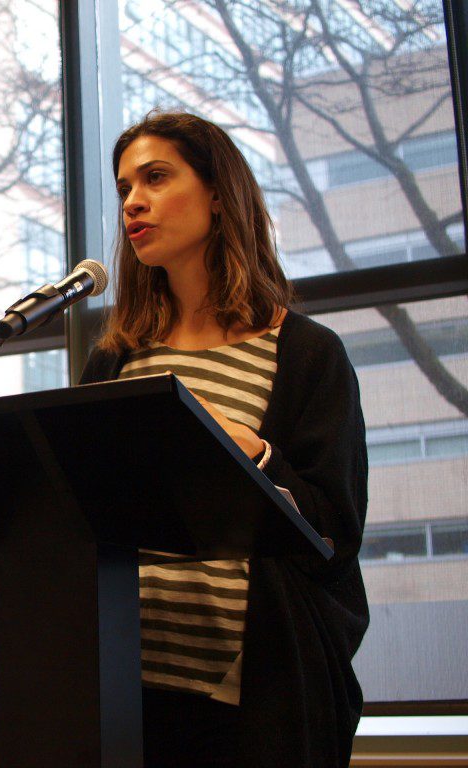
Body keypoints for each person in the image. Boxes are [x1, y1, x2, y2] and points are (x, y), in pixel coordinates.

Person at [80, 112, 369, 767]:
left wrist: (256, 453)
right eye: (124, 185)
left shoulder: (305, 354)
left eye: (155, 177)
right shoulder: (116, 361)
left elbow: (335, 533)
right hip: (123, 691)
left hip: (252, 703)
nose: (132, 201)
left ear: (217, 193)